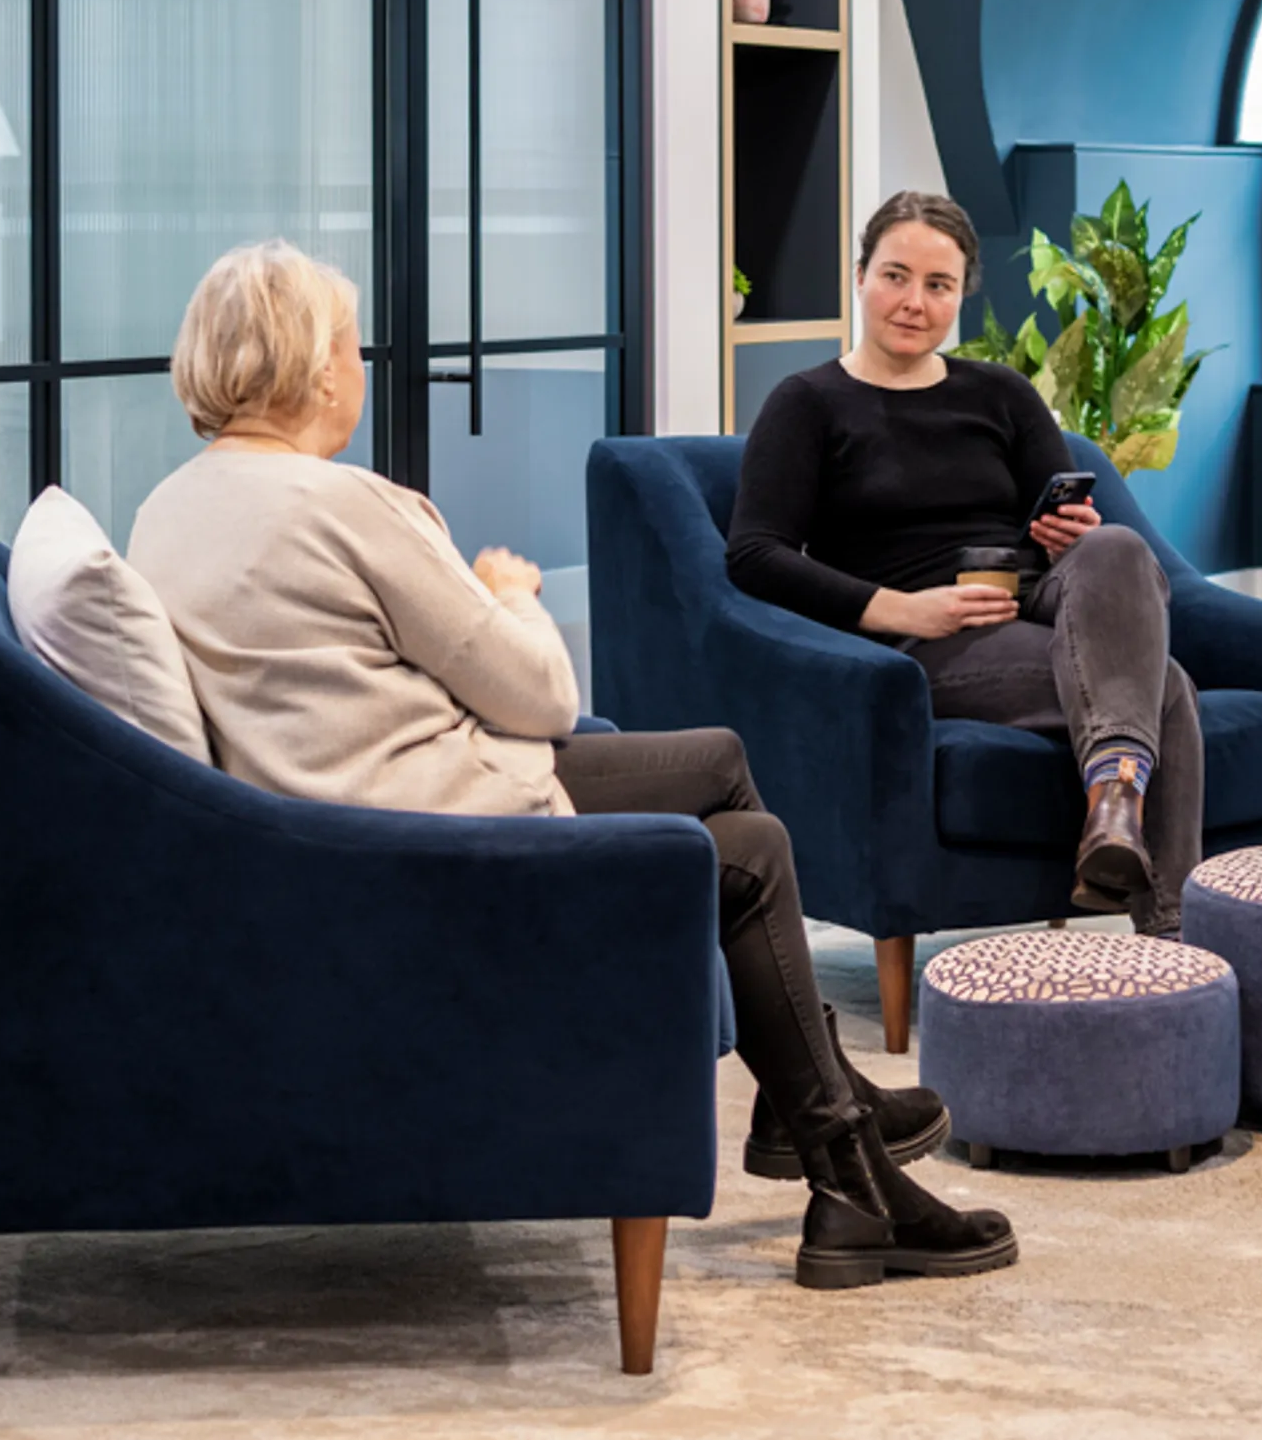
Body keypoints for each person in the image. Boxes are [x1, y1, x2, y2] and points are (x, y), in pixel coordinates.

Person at [127, 239, 1017, 1290]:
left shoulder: (168, 508)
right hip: (420, 822)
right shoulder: (343, 505)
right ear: (317, 368)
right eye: (351, 345)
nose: (359, 366)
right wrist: (504, 593)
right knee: (737, 811)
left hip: (335, 810)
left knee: (733, 807)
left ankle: (831, 1148)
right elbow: (544, 697)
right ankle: (839, 1151)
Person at [726, 190, 1204, 937]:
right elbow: (754, 555)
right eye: (895, 275)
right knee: (1164, 683)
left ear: (961, 296)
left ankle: (1114, 806)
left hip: (1037, 599)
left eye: (938, 285)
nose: (914, 302)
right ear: (860, 276)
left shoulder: (1001, 393)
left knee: (1114, 543)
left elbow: (1062, 527)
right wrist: (899, 607)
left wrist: (1062, 532)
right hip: (927, 639)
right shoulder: (806, 403)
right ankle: (1170, 934)